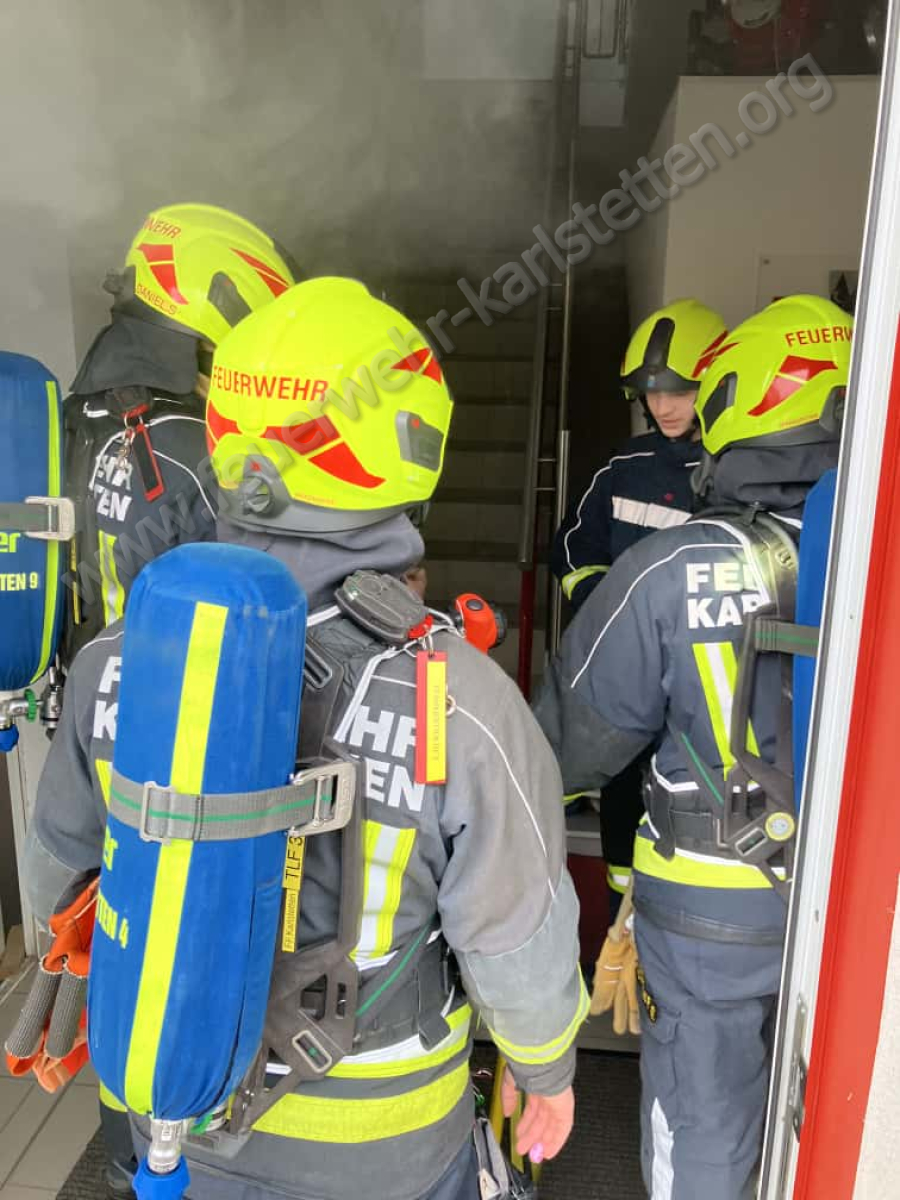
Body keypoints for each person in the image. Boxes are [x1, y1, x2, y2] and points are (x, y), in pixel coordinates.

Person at [24, 276, 586, 1200]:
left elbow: (61, 876)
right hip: (383, 1145)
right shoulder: (461, 701)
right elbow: (514, 933)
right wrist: (546, 1066)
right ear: (413, 443)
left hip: (177, 1112)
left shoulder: (119, 655)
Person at [535, 293, 850, 1198]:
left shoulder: (678, 565)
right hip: (855, 907)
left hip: (713, 910)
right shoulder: (878, 553)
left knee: (703, 1122)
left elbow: (570, 742)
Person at [550, 298, 728, 914]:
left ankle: (667, 923)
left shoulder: (734, 474)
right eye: (651, 393)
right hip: (625, 683)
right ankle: (618, 926)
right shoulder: (624, 466)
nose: (663, 406)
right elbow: (572, 547)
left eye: (679, 391)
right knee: (621, 804)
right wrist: (603, 607)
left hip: (698, 686)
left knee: (687, 804)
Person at [62, 202, 298, 664]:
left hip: (80, 690)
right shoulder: (204, 453)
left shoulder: (78, 413)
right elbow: (278, 601)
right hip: (168, 695)